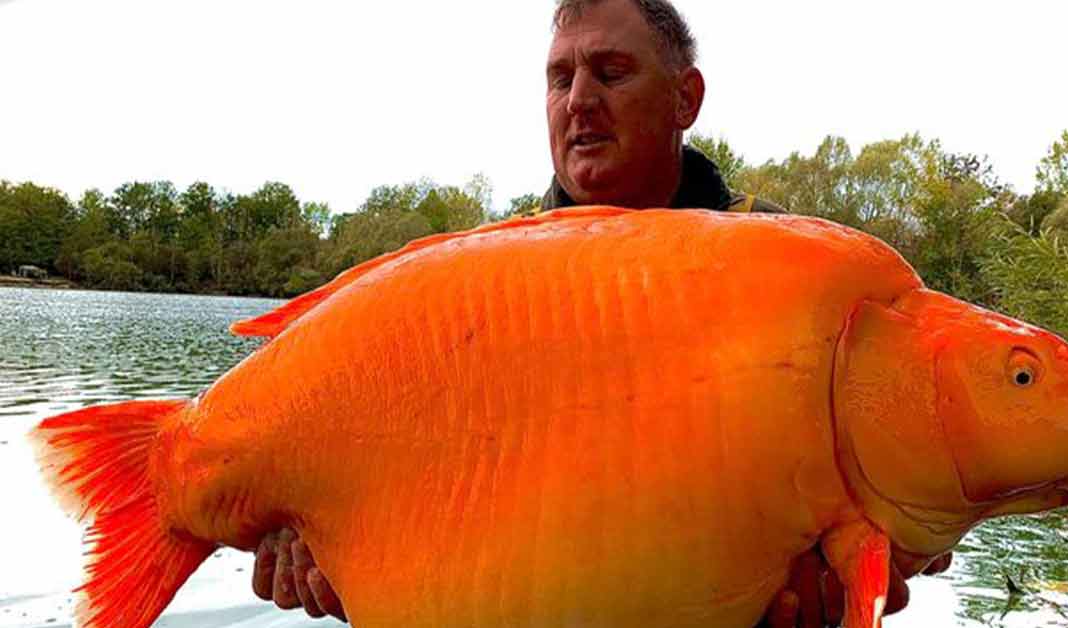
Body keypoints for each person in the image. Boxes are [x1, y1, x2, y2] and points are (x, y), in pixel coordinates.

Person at [252, 1, 950, 625]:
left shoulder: (803, 274)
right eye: (561, 80)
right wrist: (327, 550)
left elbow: (911, 493)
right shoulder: (475, 284)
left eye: (611, 72)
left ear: (686, 97)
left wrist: (879, 560)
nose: (580, 100)